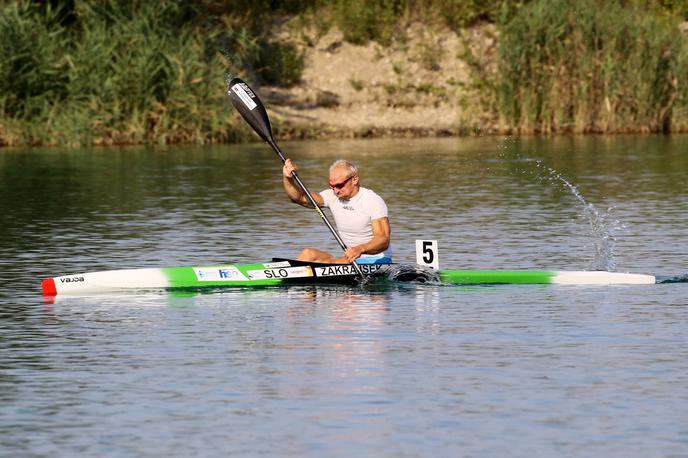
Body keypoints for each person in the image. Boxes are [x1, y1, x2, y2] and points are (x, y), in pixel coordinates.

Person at [282, 158, 392, 264]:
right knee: (308, 254)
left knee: (327, 263)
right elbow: (299, 198)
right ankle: (291, 274)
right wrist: (289, 179)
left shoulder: (372, 200)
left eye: (339, 185)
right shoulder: (332, 196)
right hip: (351, 259)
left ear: (354, 180)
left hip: (376, 260)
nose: (335, 190)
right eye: (332, 186)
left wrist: (360, 249)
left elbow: (383, 239)